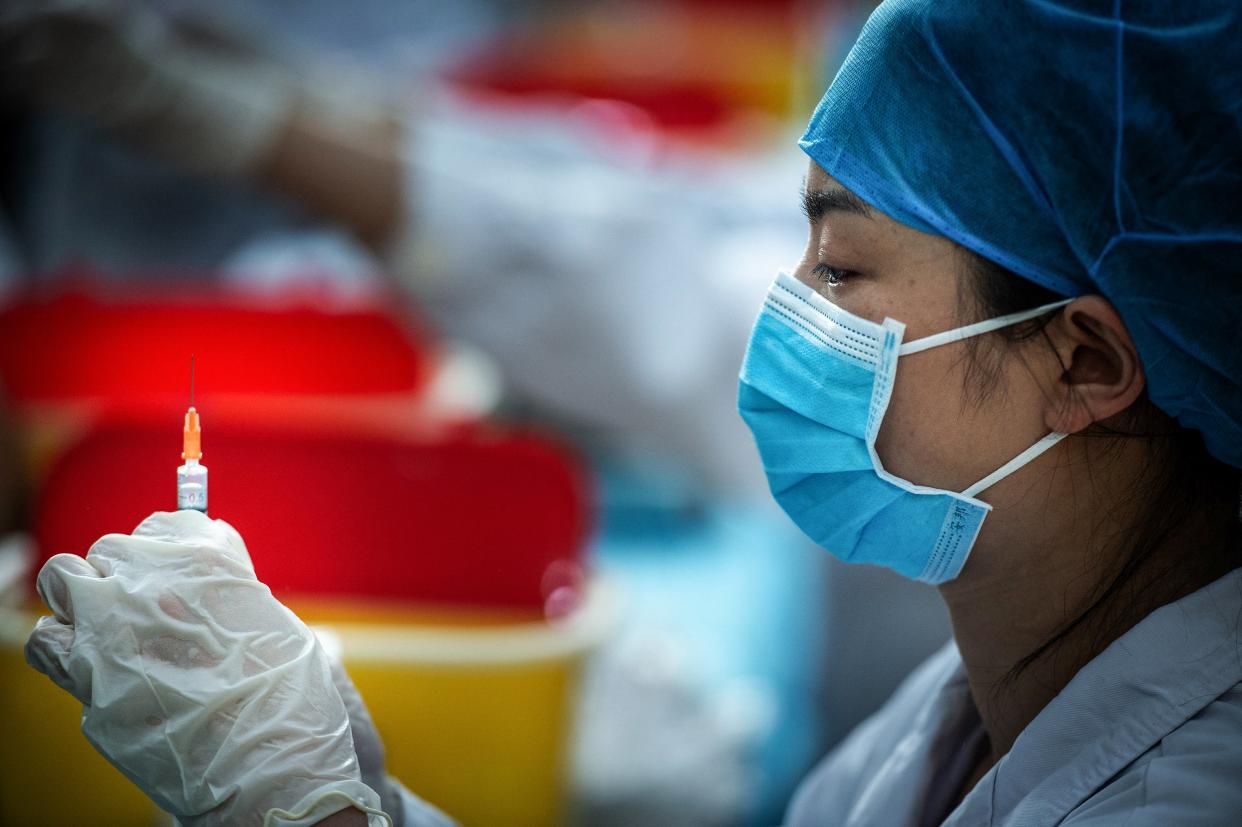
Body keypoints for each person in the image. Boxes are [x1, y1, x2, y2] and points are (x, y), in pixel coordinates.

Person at [24, 1, 1242, 825]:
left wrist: (305, 805)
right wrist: (355, 790)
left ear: (1085, 362)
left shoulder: (1186, 791)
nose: (778, 318)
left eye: (842, 271)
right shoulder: (986, 693)